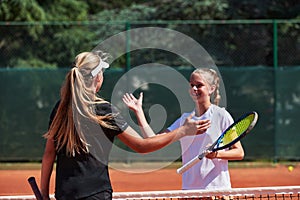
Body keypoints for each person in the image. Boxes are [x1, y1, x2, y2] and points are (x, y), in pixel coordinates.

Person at [40, 51, 211, 200]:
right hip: (96, 193)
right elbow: (141, 146)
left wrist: (44, 194)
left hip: (64, 193)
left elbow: (49, 154)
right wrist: (183, 131)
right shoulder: (105, 110)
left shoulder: (60, 108)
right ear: (98, 78)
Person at [123, 68, 244, 190]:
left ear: (211, 89)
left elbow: (239, 152)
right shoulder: (185, 120)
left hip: (216, 189)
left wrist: (217, 154)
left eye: (199, 85)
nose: (194, 89)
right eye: (192, 85)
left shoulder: (221, 115)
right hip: (189, 190)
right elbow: (152, 139)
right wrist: (139, 112)